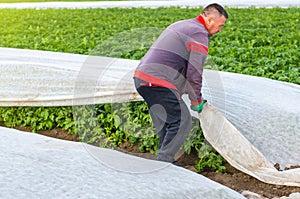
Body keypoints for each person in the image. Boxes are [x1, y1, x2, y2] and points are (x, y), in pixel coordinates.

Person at [133, 3, 228, 163]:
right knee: (182, 121)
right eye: (220, 26)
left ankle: (163, 163)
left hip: (142, 79)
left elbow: (181, 67)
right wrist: (196, 99)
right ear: (210, 19)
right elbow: (194, 72)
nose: (220, 30)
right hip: (158, 82)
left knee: (166, 125)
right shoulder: (199, 33)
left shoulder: (183, 25)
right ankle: (164, 163)